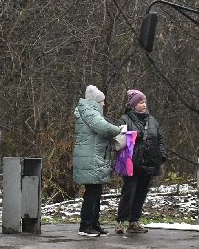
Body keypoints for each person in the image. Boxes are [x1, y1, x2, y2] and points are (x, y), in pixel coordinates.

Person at [72, 84, 126, 237]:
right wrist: (119, 130)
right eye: (102, 101)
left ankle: (94, 224)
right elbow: (103, 128)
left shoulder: (89, 111)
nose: (104, 104)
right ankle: (86, 225)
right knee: (92, 193)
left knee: (96, 193)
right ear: (95, 101)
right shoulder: (90, 112)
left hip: (94, 158)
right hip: (91, 158)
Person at [116, 89, 167, 235]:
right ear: (133, 105)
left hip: (150, 162)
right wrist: (135, 136)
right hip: (132, 162)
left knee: (141, 193)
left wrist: (161, 155)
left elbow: (160, 139)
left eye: (144, 102)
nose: (144, 105)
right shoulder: (125, 119)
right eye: (140, 102)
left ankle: (134, 221)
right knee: (129, 192)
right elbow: (120, 139)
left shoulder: (152, 120)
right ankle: (120, 221)